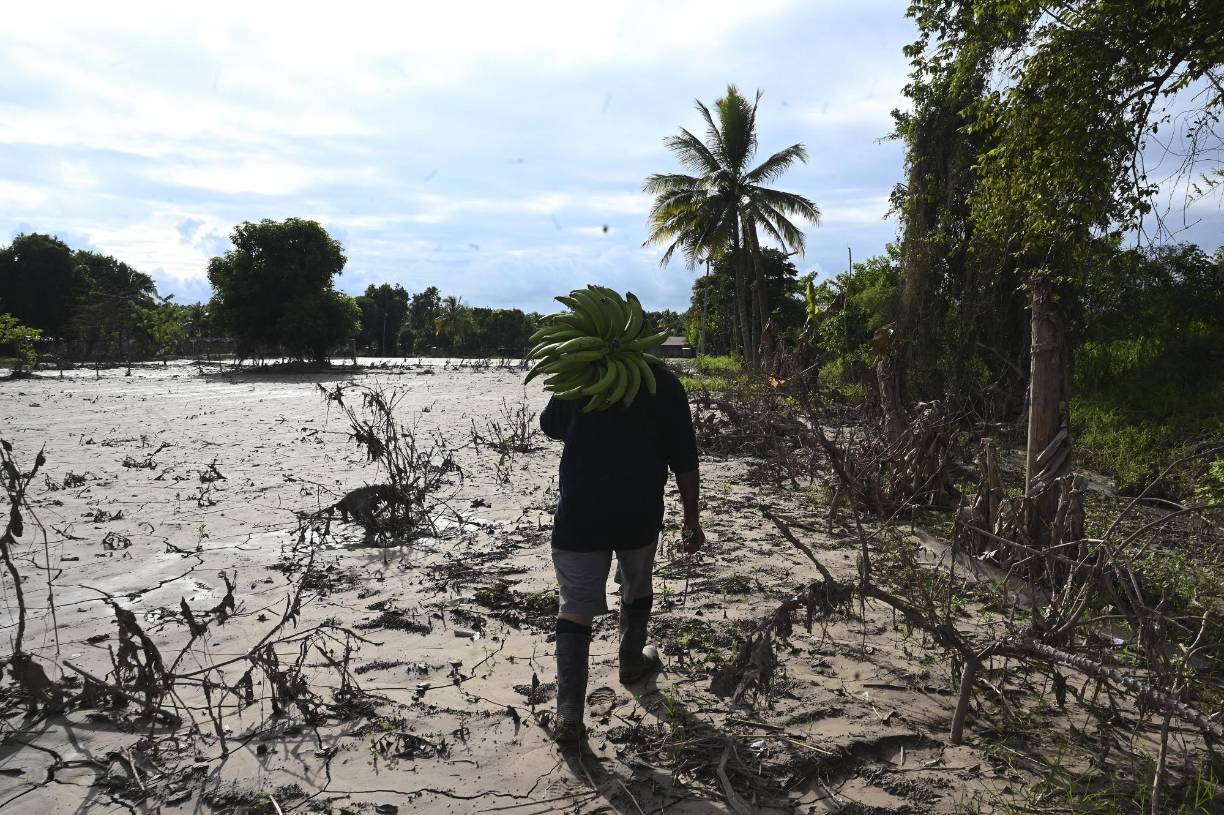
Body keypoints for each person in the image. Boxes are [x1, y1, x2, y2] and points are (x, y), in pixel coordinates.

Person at [539, 360, 703, 742]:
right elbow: (685, 460)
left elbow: (551, 426)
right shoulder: (663, 381)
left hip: (581, 515)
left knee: (575, 608)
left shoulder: (580, 373)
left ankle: (569, 717)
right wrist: (691, 522)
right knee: (637, 584)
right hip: (639, 515)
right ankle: (631, 663)